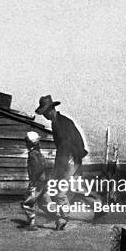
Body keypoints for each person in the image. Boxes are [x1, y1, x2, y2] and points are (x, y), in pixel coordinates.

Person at [35, 95, 89, 230]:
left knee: (60, 191)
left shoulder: (61, 124)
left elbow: (65, 149)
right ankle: (59, 214)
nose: (45, 116)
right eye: (43, 113)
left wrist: (57, 171)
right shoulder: (57, 122)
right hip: (69, 158)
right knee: (54, 190)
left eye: (46, 112)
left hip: (71, 159)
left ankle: (64, 218)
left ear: (51, 109)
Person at [20, 131, 47, 231]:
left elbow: (37, 168)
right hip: (42, 181)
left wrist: (33, 181)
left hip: (37, 181)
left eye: (26, 141)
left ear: (29, 142)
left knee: (27, 202)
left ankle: (31, 223)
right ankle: (59, 217)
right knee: (45, 202)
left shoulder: (33, 154)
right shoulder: (39, 153)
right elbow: (43, 166)